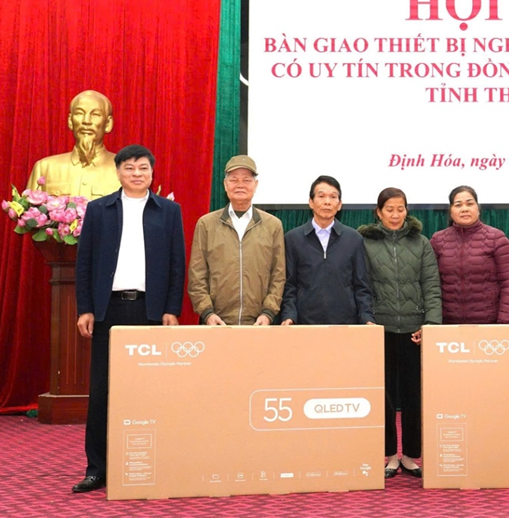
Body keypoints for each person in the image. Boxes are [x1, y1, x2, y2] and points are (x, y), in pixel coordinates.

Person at [72, 144, 185, 493]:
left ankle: (154, 464)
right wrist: (85, 308)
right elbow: (84, 263)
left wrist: (171, 309)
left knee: (152, 390)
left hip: (151, 311)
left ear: (152, 172)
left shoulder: (169, 211)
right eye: (130, 168)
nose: (137, 174)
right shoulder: (99, 210)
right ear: (118, 172)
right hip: (109, 311)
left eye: (143, 168)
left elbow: (177, 264)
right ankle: (97, 469)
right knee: (102, 391)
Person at [358, 188, 442, 479]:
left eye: (400, 209)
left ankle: (410, 456)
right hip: (379, 329)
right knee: (384, 397)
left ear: (407, 211)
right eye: (389, 209)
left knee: (413, 395)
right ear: (379, 212)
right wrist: (367, 321)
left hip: (414, 330)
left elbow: (431, 286)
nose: (395, 215)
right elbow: (362, 286)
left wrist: (431, 324)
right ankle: (391, 456)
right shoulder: (365, 243)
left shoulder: (421, 243)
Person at [188, 155, 285, 326]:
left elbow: (278, 274)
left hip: (259, 324)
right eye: (234, 180)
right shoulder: (206, 224)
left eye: (246, 180)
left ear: (255, 185)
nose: (240, 185)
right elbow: (197, 274)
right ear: (225, 185)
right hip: (216, 322)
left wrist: (268, 313)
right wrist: (207, 313)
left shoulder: (272, 225)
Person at [280, 176, 374, 326]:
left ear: (339, 204)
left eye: (333, 197)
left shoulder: (353, 239)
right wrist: (289, 315)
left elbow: (362, 286)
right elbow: (289, 285)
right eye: (321, 196)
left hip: (345, 324)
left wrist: (367, 318)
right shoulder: (293, 239)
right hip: (305, 324)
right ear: (311, 202)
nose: (327, 202)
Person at [430, 186, 509, 324]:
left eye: (470, 204)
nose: (464, 209)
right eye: (458, 205)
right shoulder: (438, 240)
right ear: (450, 211)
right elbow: (430, 284)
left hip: (489, 325)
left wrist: (505, 323)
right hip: (448, 326)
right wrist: (433, 322)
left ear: (478, 208)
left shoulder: (497, 238)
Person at [27, 90, 122, 199]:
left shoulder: (125, 171)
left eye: (95, 114)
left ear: (108, 124)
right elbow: (27, 209)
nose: (86, 121)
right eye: (79, 113)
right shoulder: (45, 168)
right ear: (70, 121)